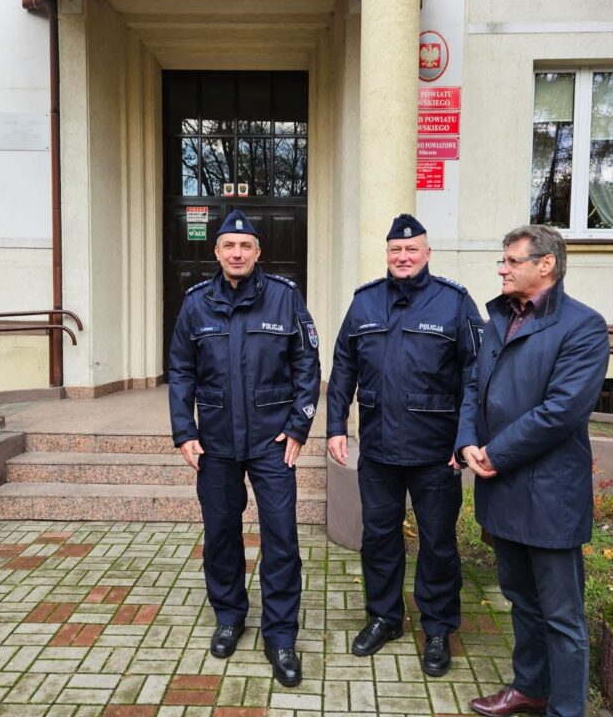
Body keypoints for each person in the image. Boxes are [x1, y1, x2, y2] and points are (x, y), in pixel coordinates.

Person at [456, 224, 609, 717]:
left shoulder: (583, 326)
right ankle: (530, 688)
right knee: (520, 600)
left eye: (511, 261)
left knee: (562, 616)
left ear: (546, 265)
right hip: (502, 489)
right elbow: (473, 386)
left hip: (549, 494)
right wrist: (466, 442)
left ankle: (566, 709)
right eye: (502, 260)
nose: (501, 269)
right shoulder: (499, 319)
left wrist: (494, 453)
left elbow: (563, 411)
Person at [326, 213, 484, 677]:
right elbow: (343, 367)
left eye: (412, 249)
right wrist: (336, 426)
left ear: (427, 253)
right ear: (387, 253)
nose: (403, 256)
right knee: (379, 539)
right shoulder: (364, 302)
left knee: (437, 543)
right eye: (396, 249)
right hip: (378, 449)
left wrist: (466, 438)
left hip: (437, 453)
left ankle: (437, 629)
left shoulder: (454, 302)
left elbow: (476, 376)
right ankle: (384, 618)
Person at [168, 209, 321, 688]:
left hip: (272, 441)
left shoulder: (284, 296)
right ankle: (229, 616)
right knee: (220, 534)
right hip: (215, 441)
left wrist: (299, 426)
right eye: (229, 246)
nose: (237, 253)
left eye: (245, 246)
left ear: (258, 252)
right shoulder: (196, 302)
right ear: (217, 252)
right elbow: (181, 369)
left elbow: (307, 364)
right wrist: (184, 431)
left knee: (281, 538)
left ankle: (281, 635)